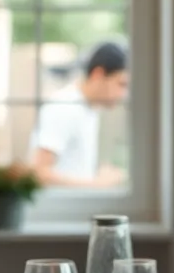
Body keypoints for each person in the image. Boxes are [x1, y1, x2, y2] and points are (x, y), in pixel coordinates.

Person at [29, 40, 129, 188]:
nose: (124, 94)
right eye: (121, 84)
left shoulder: (89, 109)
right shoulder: (64, 107)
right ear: (98, 74)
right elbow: (39, 173)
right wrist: (98, 184)